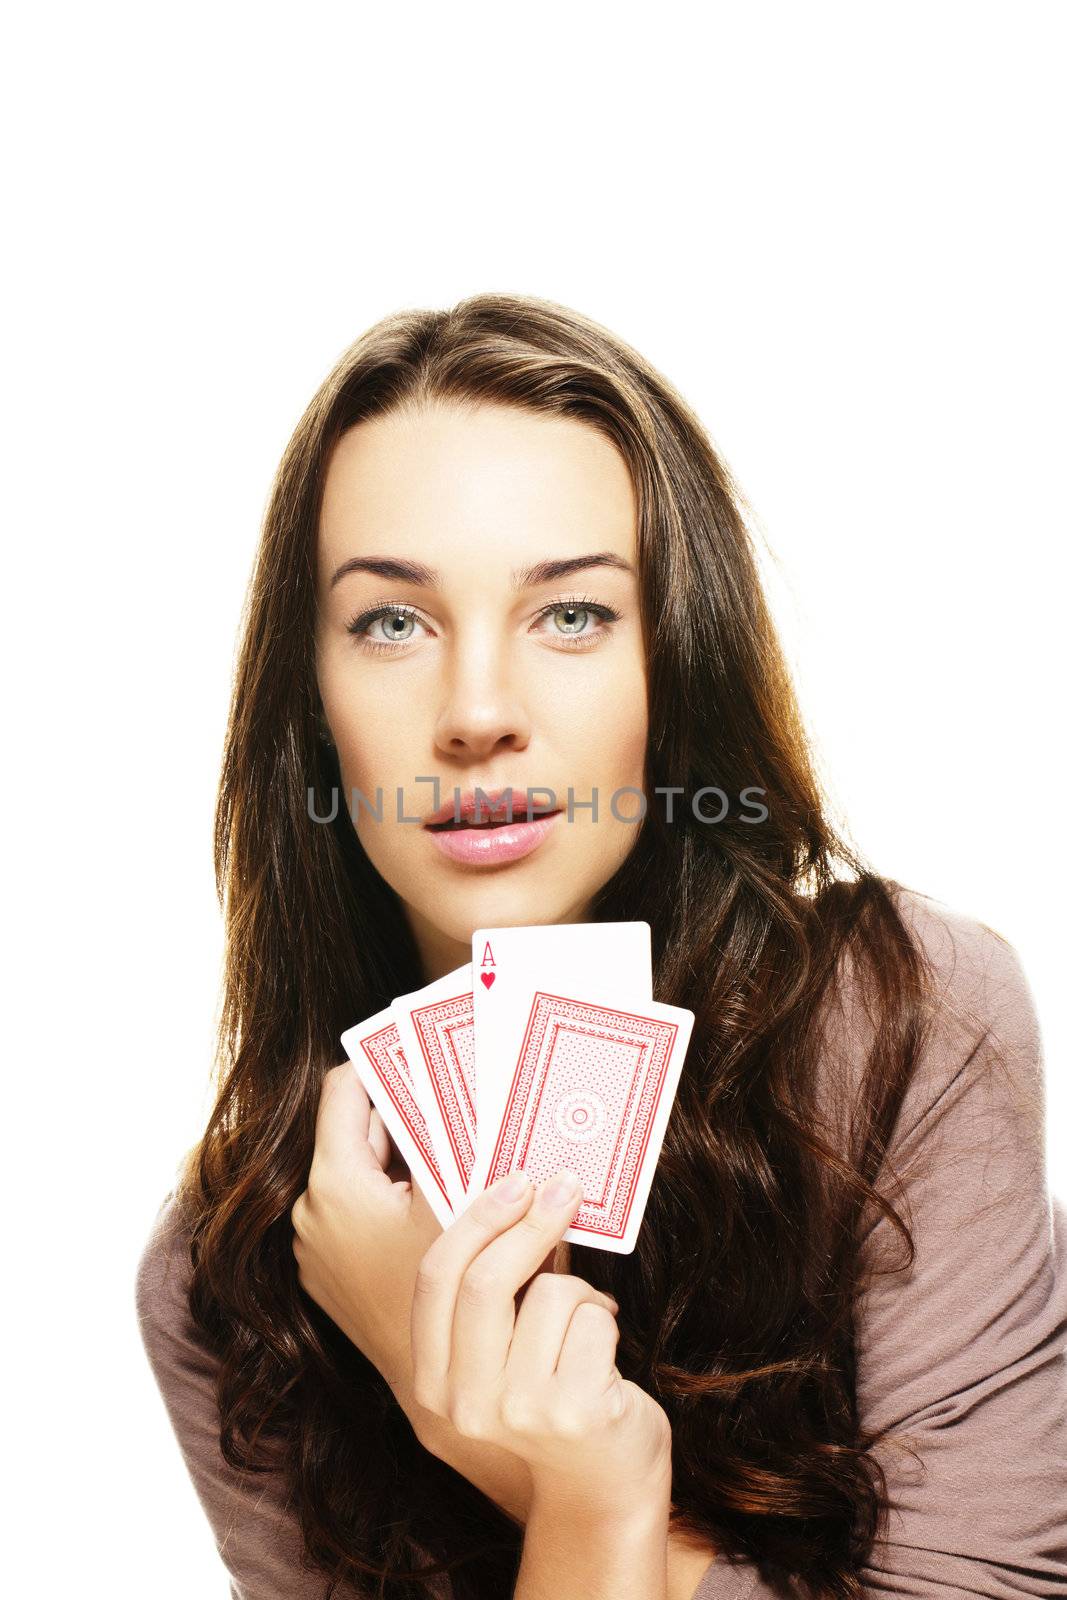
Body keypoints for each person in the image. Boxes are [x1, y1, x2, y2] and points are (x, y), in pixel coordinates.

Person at [135, 293, 1067, 1599]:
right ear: (312, 703)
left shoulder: (901, 1024)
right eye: (392, 622)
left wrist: (564, 1477)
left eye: (570, 614)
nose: (477, 713)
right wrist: (583, 1499)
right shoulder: (230, 1273)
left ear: (672, 667)